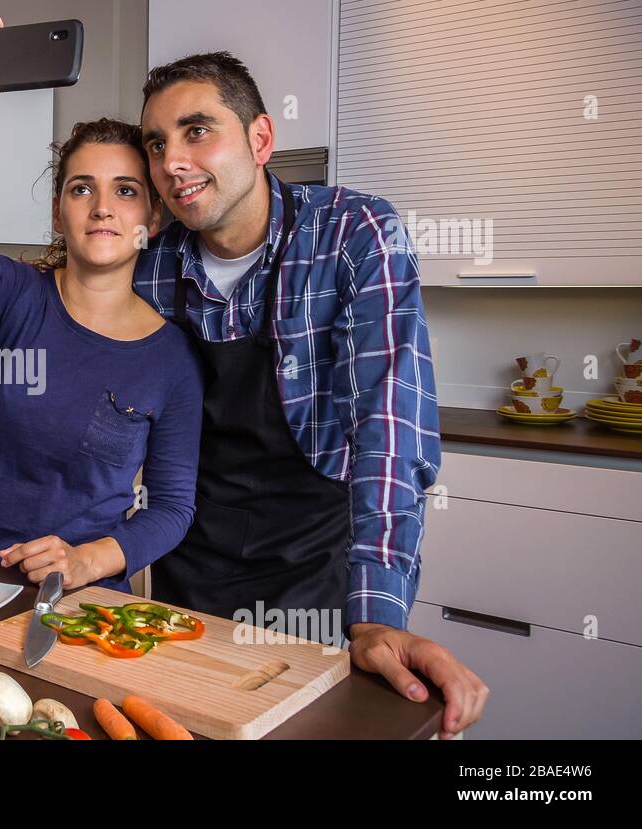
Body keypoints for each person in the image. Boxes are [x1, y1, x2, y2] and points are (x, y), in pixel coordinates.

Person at [132, 49, 488, 737]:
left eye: (197, 130)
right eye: (156, 143)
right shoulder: (152, 266)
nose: (172, 160)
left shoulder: (354, 236)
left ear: (261, 139)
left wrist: (378, 616)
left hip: (313, 564)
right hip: (189, 565)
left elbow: (390, 422)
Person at [0, 17, 204, 592]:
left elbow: (172, 509)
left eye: (126, 191)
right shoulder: (15, 299)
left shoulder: (173, 361)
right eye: (82, 188)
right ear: (60, 212)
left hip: (79, 605)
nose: (102, 207)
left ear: (153, 217)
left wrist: (88, 560)